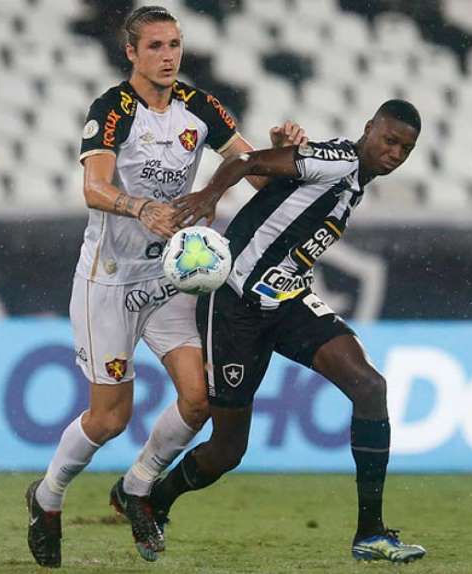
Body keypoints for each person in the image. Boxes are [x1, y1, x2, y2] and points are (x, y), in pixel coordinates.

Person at [24, 5, 306, 568]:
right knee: (110, 418)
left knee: (199, 399)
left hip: (167, 280)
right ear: (131, 52)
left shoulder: (201, 109)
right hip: (106, 281)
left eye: (174, 44)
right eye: (155, 46)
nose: (168, 55)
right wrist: (139, 206)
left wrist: (276, 151)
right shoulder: (112, 110)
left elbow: (248, 168)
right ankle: (48, 496)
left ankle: (137, 487)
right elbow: (93, 187)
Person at [148, 99, 427, 564]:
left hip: (287, 299)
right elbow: (245, 161)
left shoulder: (356, 182)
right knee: (227, 450)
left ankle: (370, 533)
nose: (396, 153)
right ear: (369, 128)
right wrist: (211, 196)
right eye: (390, 139)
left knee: (369, 386)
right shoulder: (336, 161)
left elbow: (276, 187)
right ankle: (155, 500)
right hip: (235, 304)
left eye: (406, 148)